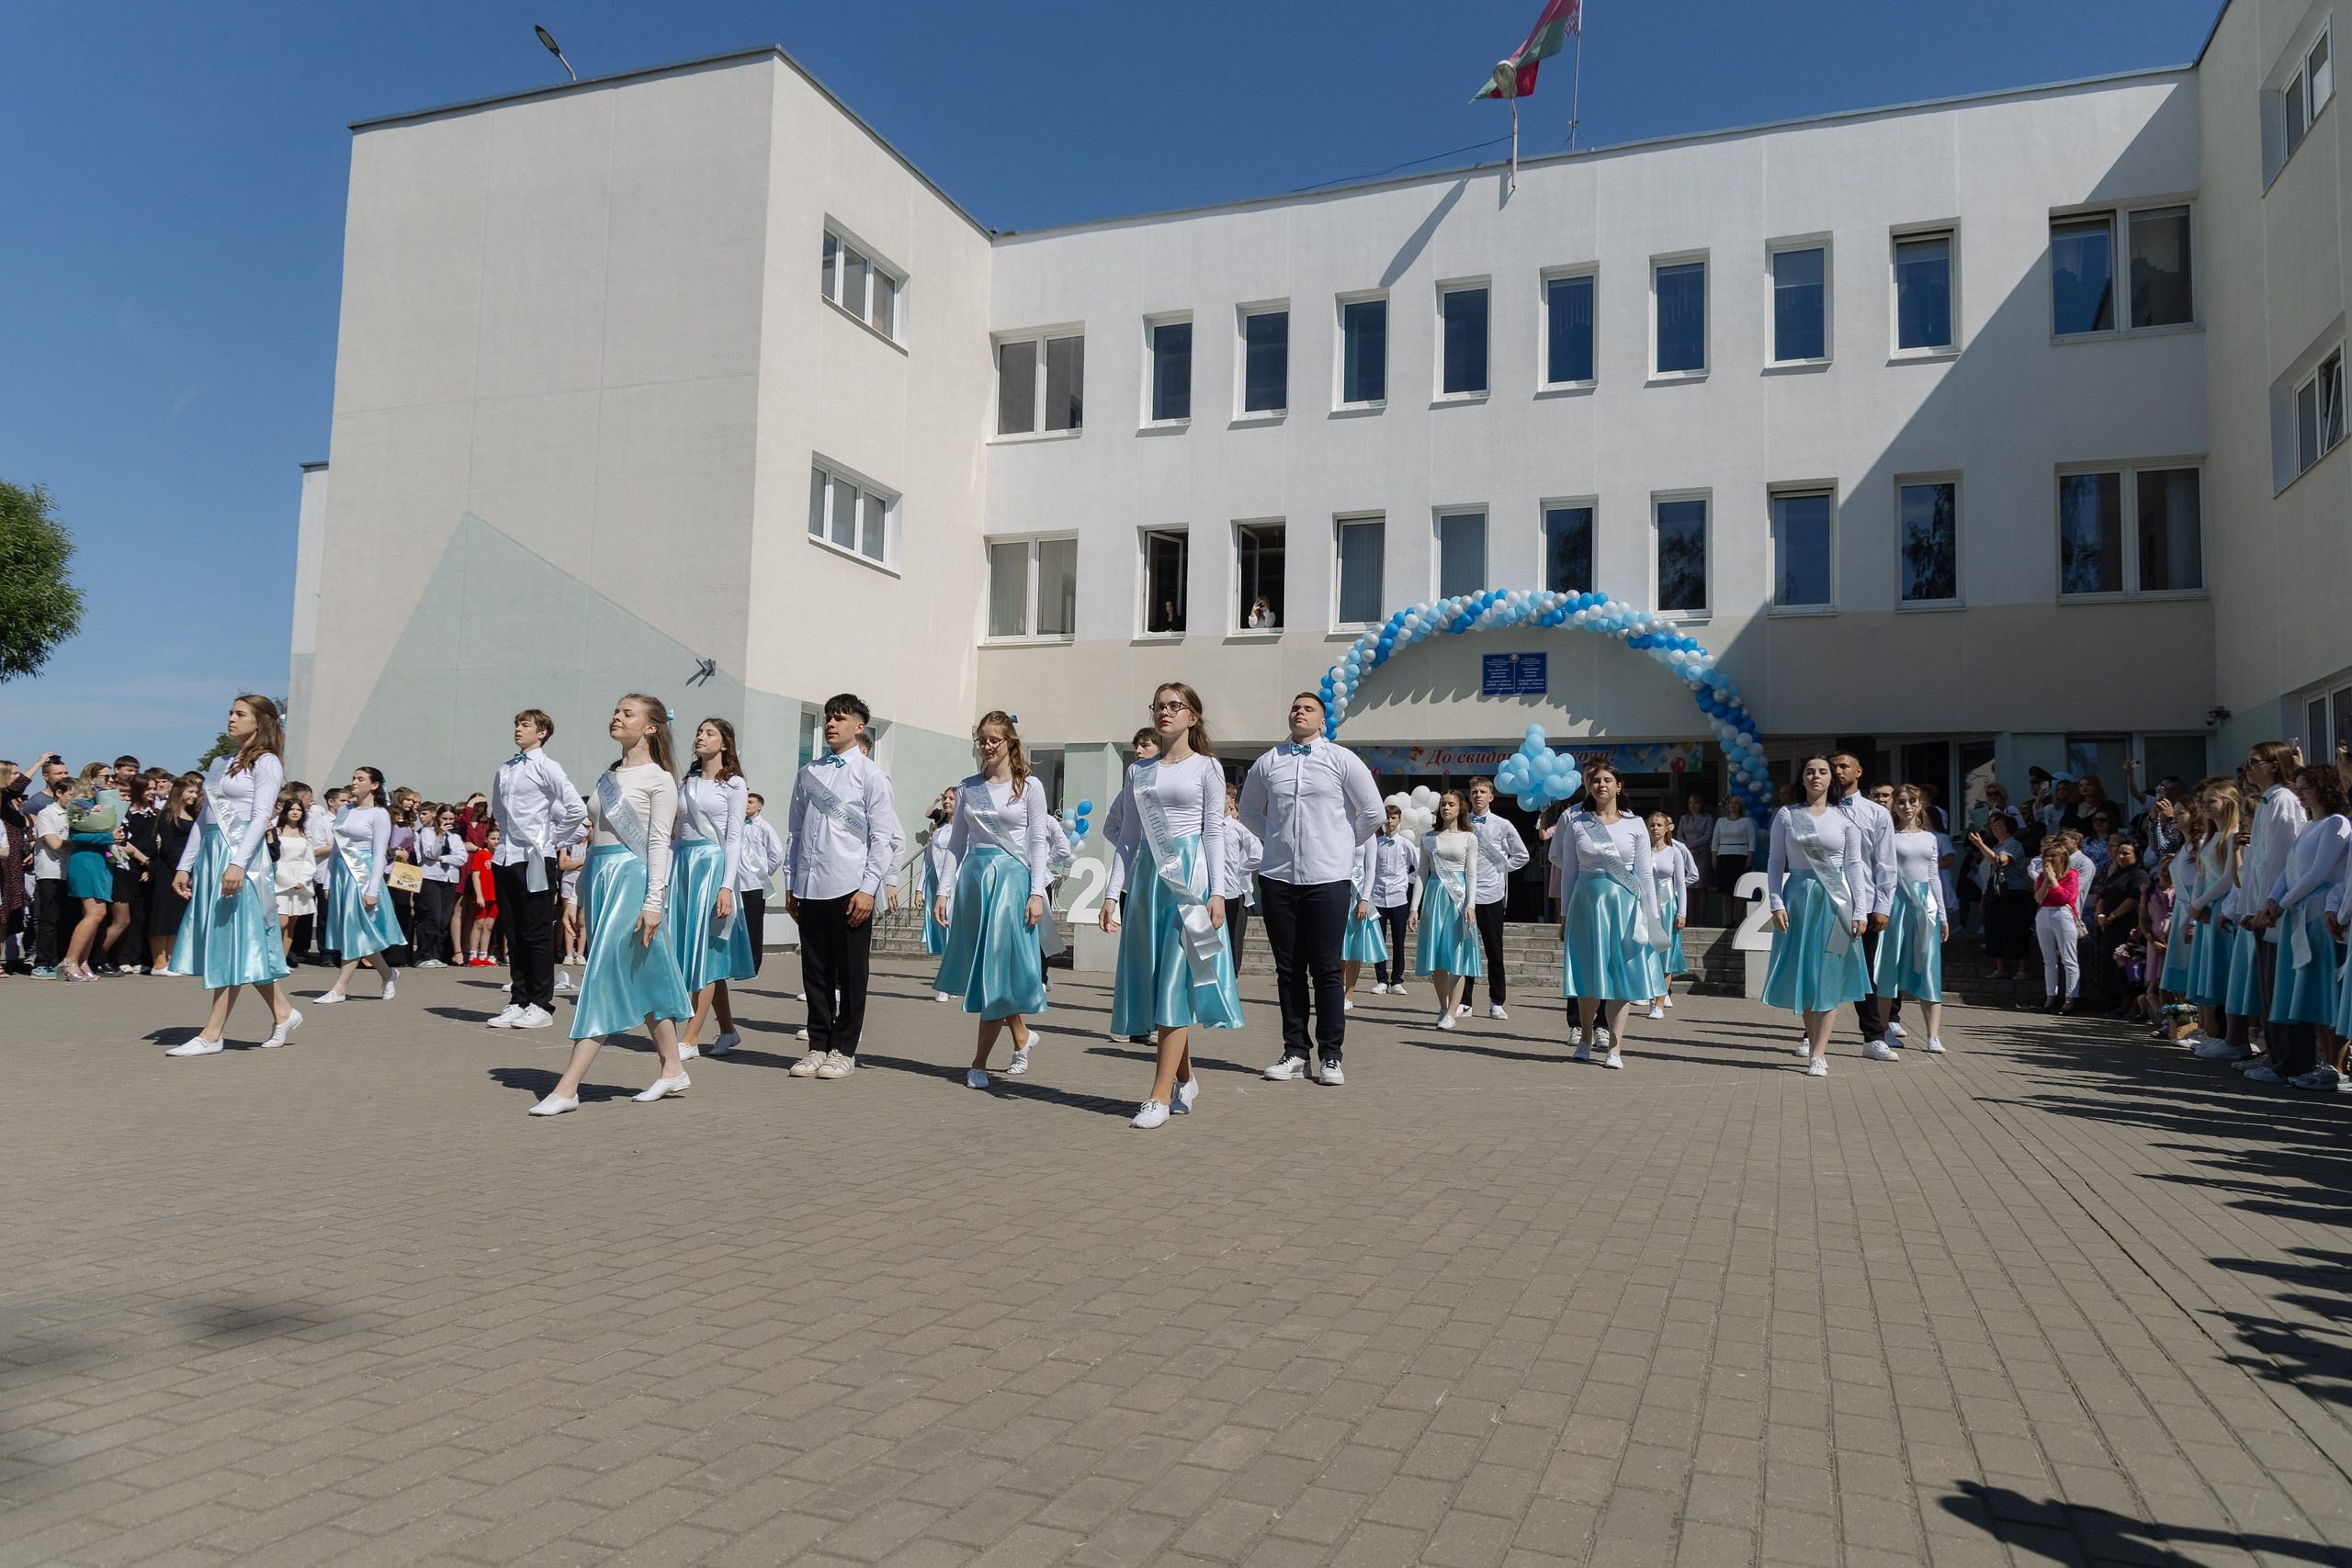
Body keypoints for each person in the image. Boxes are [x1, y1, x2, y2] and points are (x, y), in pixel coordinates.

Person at [530, 694, 694, 1114]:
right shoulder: (608, 776)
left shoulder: (659, 779)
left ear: (651, 727)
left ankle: (567, 1087)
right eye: (616, 711)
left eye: (628, 713)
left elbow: (659, 844)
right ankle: (673, 1068)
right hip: (601, 880)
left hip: (632, 882)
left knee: (601, 975)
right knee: (645, 975)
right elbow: (594, 840)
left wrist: (653, 901)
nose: (617, 717)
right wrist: (577, 895)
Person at [1102, 682, 1242, 1127]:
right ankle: (1185, 1078)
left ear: (1192, 716)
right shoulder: (1139, 771)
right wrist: (1112, 892)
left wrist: (1218, 890)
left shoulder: (1208, 767)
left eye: (1175, 706)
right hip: (1148, 881)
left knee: (1178, 979)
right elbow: (1127, 836)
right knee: (1158, 977)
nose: (1165, 713)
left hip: (1190, 879)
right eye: (1159, 706)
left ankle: (1159, 1097)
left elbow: (1214, 832)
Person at [1239, 693, 1383, 1085]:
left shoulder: (1341, 759)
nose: (1299, 712)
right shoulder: (1270, 761)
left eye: (1308, 709)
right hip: (1278, 878)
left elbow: (1373, 812)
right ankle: (1294, 1051)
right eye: (1294, 707)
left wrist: (1339, 845)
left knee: (1326, 969)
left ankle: (1331, 1056)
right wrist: (1274, 842)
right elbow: (1250, 810)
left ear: (1323, 721)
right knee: (1288, 970)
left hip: (1328, 878)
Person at [166, 696, 300, 1054]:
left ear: (260, 722)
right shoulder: (218, 762)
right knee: (240, 941)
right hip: (212, 854)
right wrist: (185, 864)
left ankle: (212, 1035)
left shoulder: (267, 762)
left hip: (241, 855)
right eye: (230, 712)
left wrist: (239, 863)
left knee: (230, 940)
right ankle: (283, 1012)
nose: (231, 718)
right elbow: (204, 818)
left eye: (240, 714)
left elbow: (260, 817)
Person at [785, 693, 901, 1080]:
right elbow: (796, 831)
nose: (831, 725)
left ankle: (844, 1048)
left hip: (850, 887)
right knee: (814, 971)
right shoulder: (809, 773)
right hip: (810, 886)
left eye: (840, 718)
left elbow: (883, 836)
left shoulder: (871, 774)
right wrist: (791, 881)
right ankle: (817, 1044)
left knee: (852, 973)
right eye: (828, 718)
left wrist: (869, 888)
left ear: (859, 726)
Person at [934, 711, 1054, 1088]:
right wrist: (943, 890)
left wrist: (1037, 892)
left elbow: (1037, 842)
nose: (986, 746)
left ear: (1010, 743)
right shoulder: (968, 787)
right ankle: (1021, 1036)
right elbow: (956, 843)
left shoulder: (1030, 786)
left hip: (1012, 881)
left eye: (994, 740)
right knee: (987, 966)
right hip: (975, 880)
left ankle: (978, 1062)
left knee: (996, 966)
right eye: (981, 740)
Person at [1762, 756, 1873, 1076]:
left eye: (1822, 771)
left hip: (1836, 903)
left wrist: (1861, 910)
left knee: (1828, 973)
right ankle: (1812, 1042)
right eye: (1810, 771)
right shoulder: (1787, 815)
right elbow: (1774, 860)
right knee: (1807, 975)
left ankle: (1819, 1054)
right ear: (1803, 778)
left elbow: (1854, 866)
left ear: (1831, 779)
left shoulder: (1845, 817)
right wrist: (1775, 902)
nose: (1816, 776)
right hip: (1798, 900)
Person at [1554, 761, 1668, 1068]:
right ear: (1589, 787)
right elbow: (1569, 873)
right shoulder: (1577, 823)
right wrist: (1564, 915)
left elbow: (1645, 875)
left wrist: (1652, 916)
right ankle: (1586, 1037)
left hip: (1625, 906)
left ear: (1619, 787)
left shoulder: (1635, 825)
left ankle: (1615, 1048)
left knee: (1620, 976)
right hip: (1587, 904)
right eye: (1596, 781)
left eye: (1608, 780)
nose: (1601, 785)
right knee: (1589, 973)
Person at [486, 709, 587, 1032]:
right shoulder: (506, 768)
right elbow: (498, 811)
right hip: (506, 857)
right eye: (516, 724)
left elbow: (576, 809)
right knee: (514, 933)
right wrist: (504, 841)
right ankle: (519, 999)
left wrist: (552, 840)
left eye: (525, 725)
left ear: (541, 732)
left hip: (536, 858)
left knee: (536, 932)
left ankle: (540, 1004)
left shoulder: (547, 766)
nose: (518, 729)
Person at [2254, 764, 2348, 1089]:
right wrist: (2271, 898)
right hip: (2301, 914)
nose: (2299, 793)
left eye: (2305, 787)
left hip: (2320, 912)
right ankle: (2322, 1063)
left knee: (2326, 991)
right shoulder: (2310, 826)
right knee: (2312, 992)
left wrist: (2283, 903)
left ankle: (2337, 1067)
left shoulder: (2337, 823)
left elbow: (2319, 872)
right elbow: (2290, 867)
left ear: (2323, 788)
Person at [673, 717, 758, 1058]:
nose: (700, 737)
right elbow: (677, 831)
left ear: (724, 744)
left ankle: (690, 1038)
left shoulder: (734, 784)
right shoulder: (688, 781)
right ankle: (728, 1030)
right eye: (698, 732)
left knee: (705, 953)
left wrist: (727, 886)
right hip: (685, 869)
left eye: (710, 733)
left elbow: (735, 837)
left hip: (712, 868)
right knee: (706, 953)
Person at [316, 766, 403, 1004]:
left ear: (375, 785)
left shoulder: (379, 814)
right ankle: (388, 974)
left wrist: (372, 890)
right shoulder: (345, 810)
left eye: (360, 779)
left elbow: (379, 855)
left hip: (363, 875)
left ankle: (339, 988)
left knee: (355, 932)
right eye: (353, 777)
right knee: (357, 934)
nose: (354, 782)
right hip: (343, 875)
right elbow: (336, 847)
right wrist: (328, 880)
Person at [1830, 755, 1901, 1051]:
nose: (1837, 771)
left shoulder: (1876, 813)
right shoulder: (1818, 812)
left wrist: (1883, 907)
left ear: (1858, 772)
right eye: (1832, 766)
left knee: (1864, 970)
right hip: (1828, 902)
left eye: (1843, 766)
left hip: (1866, 904)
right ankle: (1812, 1033)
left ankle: (1873, 1035)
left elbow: (1886, 864)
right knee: (1824, 967)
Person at [1876, 784, 1948, 1052]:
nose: (1907, 806)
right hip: (1896, 905)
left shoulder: (1930, 839)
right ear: (1894, 806)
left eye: (1912, 801)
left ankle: (1933, 1035)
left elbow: (1933, 876)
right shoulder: (1888, 837)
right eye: (1901, 802)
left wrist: (1941, 913)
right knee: (1889, 966)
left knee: (1929, 967)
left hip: (1924, 907)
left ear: (1920, 805)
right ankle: (1884, 1029)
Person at [1461, 778, 1530, 1020]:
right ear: (1469, 797)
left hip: (1491, 895)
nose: (1478, 795)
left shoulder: (1504, 825)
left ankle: (1497, 1001)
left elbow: (1522, 855)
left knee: (1494, 952)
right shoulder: (1461, 823)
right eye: (1474, 792)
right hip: (1465, 896)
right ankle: (1464, 1001)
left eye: (1483, 792)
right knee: (1466, 950)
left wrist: (1502, 868)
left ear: (1491, 797)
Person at [1415, 789, 1483, 1030]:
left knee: (1457, 955)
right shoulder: (1428, 838)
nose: (1446, 808)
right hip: (1434, 896)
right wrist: (1415, 908)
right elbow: (1422, 874)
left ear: (1459, 809)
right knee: (1437, 956)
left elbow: (1472, 874)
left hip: (1458, 899)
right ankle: (1443, 1007)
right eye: (1443, 804)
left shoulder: (1469, 838)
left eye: (1451, 804)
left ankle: (1453, 1011)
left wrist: (1471, 904)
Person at [1643, 812, 1699, 1019]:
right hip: (1646, 906)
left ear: (1668, 828)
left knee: (1664, 952)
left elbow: (1681, 884)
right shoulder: (1642, 851)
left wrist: (1682, 912)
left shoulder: (1674, 852)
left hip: (1667, 906)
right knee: (1647, 951)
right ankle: (1649, 996)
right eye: (1651, 825)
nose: (1655, 828)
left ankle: (1660, 1002)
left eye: (1659, 825)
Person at [147, 773, 200, 974]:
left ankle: (171, 959)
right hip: (170, 868)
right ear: (179, 792)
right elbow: (168, 847)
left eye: (196, 791)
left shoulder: (192, 814)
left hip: (186, 869)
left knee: (178, 914)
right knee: (163, 914)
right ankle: (158, 962)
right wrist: (182, 869)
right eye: (191, 791)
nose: (195, 795)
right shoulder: (168, 813)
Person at [1367, 803, 1416, 995]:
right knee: (1379, 941)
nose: (1389, 821)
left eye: (1393, 817)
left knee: (1398, 941)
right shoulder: (1376, 843)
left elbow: (1418, 868)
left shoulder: (1406, 844)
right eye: (1387, 817)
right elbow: (1369, 868)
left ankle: (1396, 980)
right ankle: (1381, 979)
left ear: (1399, 820)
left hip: (1398, 899)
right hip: (1378, 897)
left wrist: (1405, 883)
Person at [1340, 822, 1389, 1009]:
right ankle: (1338, 989)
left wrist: (1365, 899)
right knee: (1338, 950)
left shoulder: (1367, 833)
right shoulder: (1337, 826)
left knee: (1353, 948)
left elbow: (1371, 869)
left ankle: (1349, 995)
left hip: (1357, 894)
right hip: (1338, 888)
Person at [2032, 838, 2084, 1014]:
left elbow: (2064, 898)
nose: (2049, 860)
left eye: (2053, 856)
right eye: (2046, 856)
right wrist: (2047, 879)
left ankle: (2070, 998)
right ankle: (2050, 997)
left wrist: (2054, 880)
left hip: (2062, 914)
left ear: (2062, 858)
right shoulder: (2041, 876)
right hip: (2044, 914)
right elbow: (2039, 898)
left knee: (2068, 958)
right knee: (2049, 960)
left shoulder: (2072, 875)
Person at [738, 792, 783, 975]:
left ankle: (753, 966)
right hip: (736, 884)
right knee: (737, 926)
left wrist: (763, 873)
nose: (746, 805)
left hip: (755, 885)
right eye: (745, 802)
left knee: (753, 927)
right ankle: (737, 963)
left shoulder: (765, 827)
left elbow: (776, 855)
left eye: (750, 802)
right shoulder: (737, 826)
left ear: (759, 806)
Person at [415, 803, 464, 968]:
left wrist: (443, 859)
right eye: (444, 818)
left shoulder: (456, 837)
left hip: (449, 878)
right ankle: (423, 955)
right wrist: (440, 836)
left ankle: (436, 954)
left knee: (444, 919)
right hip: (431, 878)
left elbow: (461, 858)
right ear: (438, 817)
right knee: (432, 917)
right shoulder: (428, 833)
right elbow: (430, 853)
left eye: (451, 819)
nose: (448, 822)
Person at [1219, 784, 1262, 974]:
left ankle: (1232, 977)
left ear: (1231, 801)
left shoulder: (1238, 829)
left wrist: (1239, 872)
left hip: (1232, 891)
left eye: (1223, 796)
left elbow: (1257, 855)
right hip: (1208, 890)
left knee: (1232, 939)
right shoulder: (1203, 826)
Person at [271, 795, 316, 961]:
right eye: (292, 809)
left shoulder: (306, 834)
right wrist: (285, 880)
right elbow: (274, 858)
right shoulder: (276, 831)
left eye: (299, 809)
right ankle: (271, 958)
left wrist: (303, 880)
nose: (295, 812)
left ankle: (282, 961)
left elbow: (309, 860)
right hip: (280, 881)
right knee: (280, 922)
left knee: (291, 924)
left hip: (299, 882)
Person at [919, 787, 956, 973]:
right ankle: (947, 973)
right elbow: (927, 861)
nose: (947, 801)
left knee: (955, 928)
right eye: (945, 799)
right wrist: (920, 889)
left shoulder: (966, 829)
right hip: (936, 882)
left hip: (956, 884)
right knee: (943, 928)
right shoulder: (939, 830)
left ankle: (954, 973)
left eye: (952, 798)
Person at [1711, 795, 1755, 919]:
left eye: (1736, 803)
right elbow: (1715, 840)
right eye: (1731, 803)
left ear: (1741, 807)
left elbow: (1752, 840)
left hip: (1741, 857)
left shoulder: (1746, 822)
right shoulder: (1721, 821)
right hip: (1724, 857)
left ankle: (1739, 918)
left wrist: (1750, 857)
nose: (1733, 805)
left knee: (1740, 889)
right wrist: (1714, 857)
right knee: (1726, 890)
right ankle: (1729, 918)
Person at [1677, 791, 1715, 923]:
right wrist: (1687, 847)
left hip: (1702, 854)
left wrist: (1692, 845)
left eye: (1695, 803)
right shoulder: (1684, 818)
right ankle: (1691, 919)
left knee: (1701, 886)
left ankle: (1701, 920)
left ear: (1700, 804)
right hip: (1687, 854)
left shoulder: (1707, 818)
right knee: (1689, 887)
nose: (1693, 806)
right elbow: (1679, 835)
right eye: (1690, 803)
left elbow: (1708, 835)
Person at [466, 834, 499, 964]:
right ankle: (472, 955)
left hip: (495, 896)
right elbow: (475, 876)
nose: (496, 841)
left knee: (489, 926)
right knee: (479, 924)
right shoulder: (481, 855)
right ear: (486, 839)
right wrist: (479, 895)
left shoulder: (499, 856)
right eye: (493, 838)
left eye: (498, 839)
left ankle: (483, 955)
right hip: (483, 895)